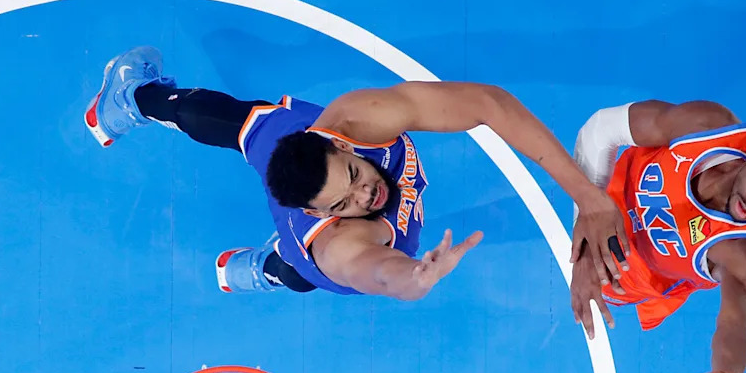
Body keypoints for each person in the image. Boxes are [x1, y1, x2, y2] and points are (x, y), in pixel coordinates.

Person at [85, 46, 629, 301]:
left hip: (300, 156)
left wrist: (590, 197)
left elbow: (491, 104)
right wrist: (416, 278)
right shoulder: (339, 242)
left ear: (338, 144)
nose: (368, 192)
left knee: (245, 121)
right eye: (346, 200)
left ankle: (133, 98)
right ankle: (265, 268)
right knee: (302, 272)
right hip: (324, 255)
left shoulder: (355, 120)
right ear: (321, 212)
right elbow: (380, 273)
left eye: (353, 173)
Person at [568, 100, 746, 373]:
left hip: (615, 271)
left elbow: (735, 323)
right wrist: (586, 243)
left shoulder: (744, 255)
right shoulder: (707, 127)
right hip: (597, 185)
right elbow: (599, 131)